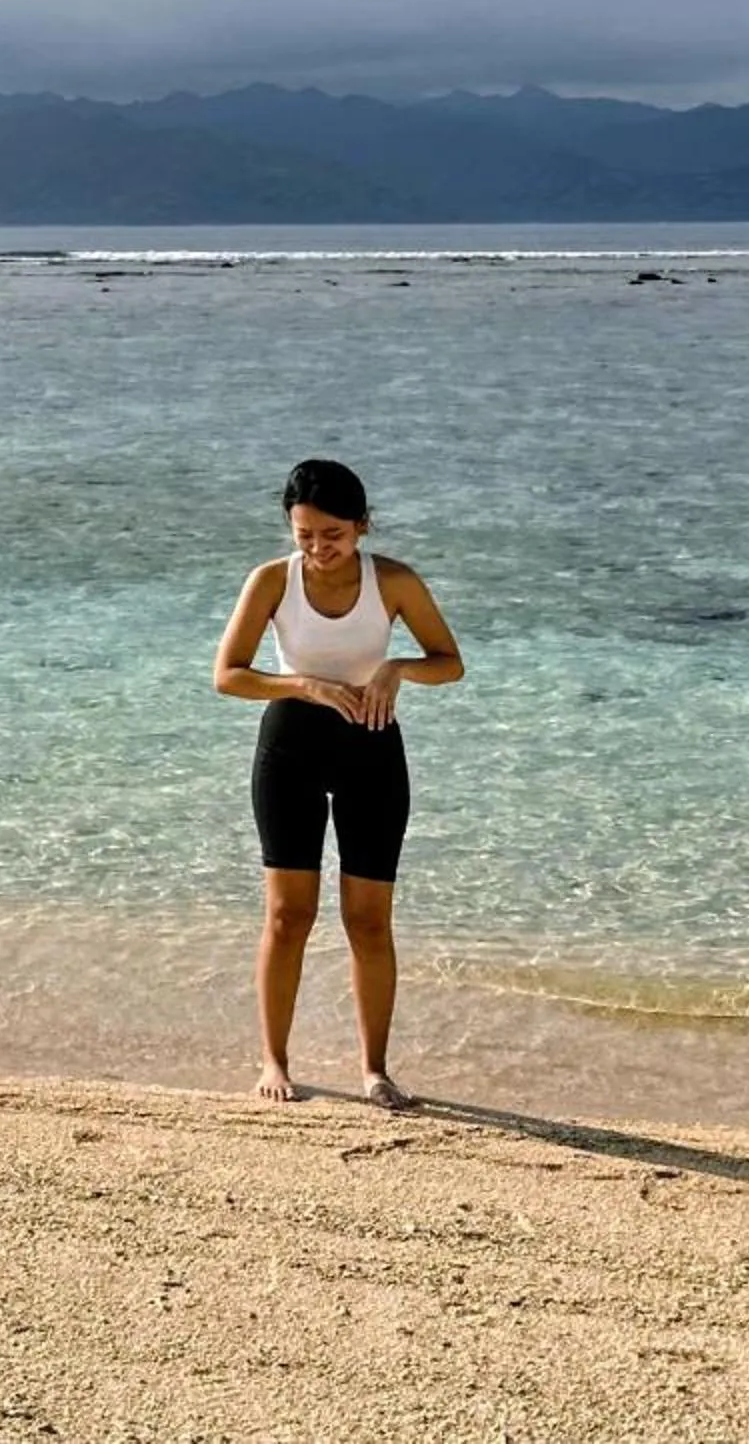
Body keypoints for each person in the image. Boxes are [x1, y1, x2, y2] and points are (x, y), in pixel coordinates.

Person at [211, 459, 462, 1109]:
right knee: (288, 915)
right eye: (304, 535)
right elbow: (229, 674)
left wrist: (396, 670)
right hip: (290, 745)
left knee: (369, 921)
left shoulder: (396, 582)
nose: (318, 549)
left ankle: (375, 1069)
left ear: (362, 526)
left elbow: (450, 663)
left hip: (372, 749)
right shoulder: (271, 581)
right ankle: (274, 1059)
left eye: (333, 535)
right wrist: (304, 684)